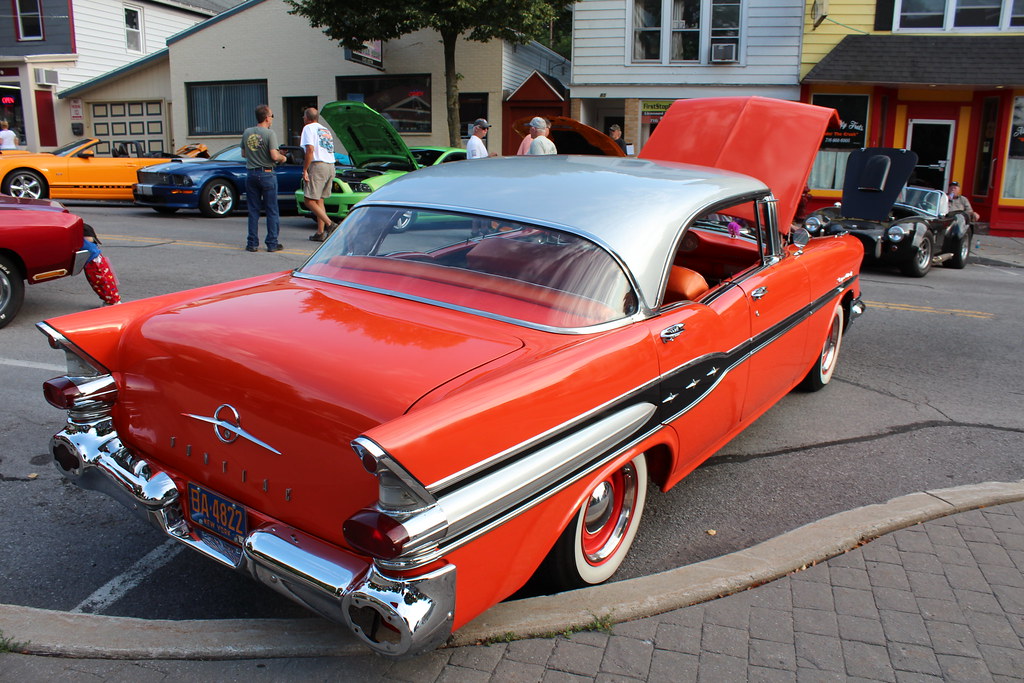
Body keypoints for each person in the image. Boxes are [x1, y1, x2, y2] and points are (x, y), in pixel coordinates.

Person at [240, 104, 286, 252]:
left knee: (253, 210)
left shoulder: (247, 132)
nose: (272, 119)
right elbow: (274, 155)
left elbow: (244, 154)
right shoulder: (269, 133)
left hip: (251, 173)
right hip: (267, 173)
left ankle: (252, 243)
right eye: (271, 116)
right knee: (271, 210)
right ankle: (272, 243)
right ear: (267, 118)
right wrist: (282, 157)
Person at [300, 107, 340, 242]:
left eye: (304, 117)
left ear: (307, 118)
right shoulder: (325, 129)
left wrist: (305, 169)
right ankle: (320, 232)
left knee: (309, 200)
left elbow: (310, 149)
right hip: (330, 165)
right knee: (319, 200)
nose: (303, 119)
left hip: (318, 166)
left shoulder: (308, 128)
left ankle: (330, 224)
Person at [81, 224, 121, 305]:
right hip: (98, 261)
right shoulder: (92, 244)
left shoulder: (86, 244)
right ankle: (112, 299)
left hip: (94, 264)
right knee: (105, 281)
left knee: (101, 282)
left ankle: (112, 301)